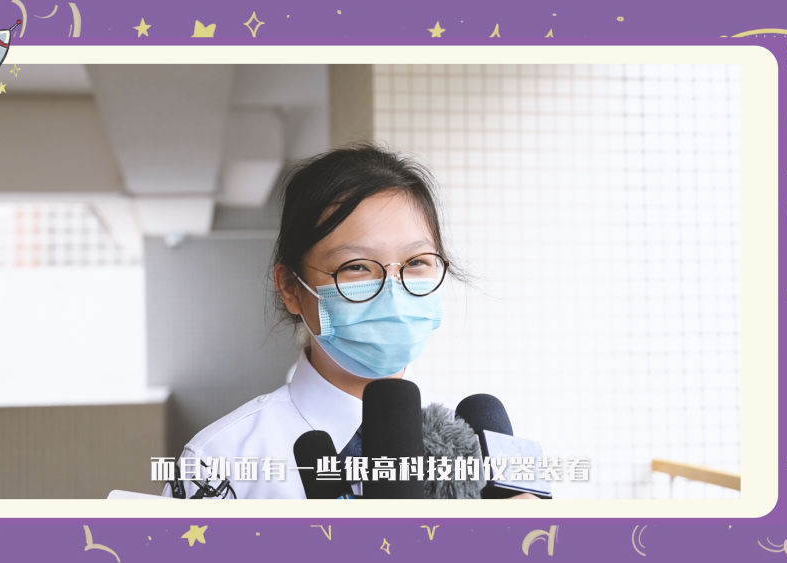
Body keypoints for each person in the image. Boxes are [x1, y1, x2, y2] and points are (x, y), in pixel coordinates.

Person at [159, 142, 536, 499]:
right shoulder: (219, 464)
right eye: (356, 267)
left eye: (417, 262)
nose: (393, 290)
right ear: (291, 287)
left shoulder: (482, 445)